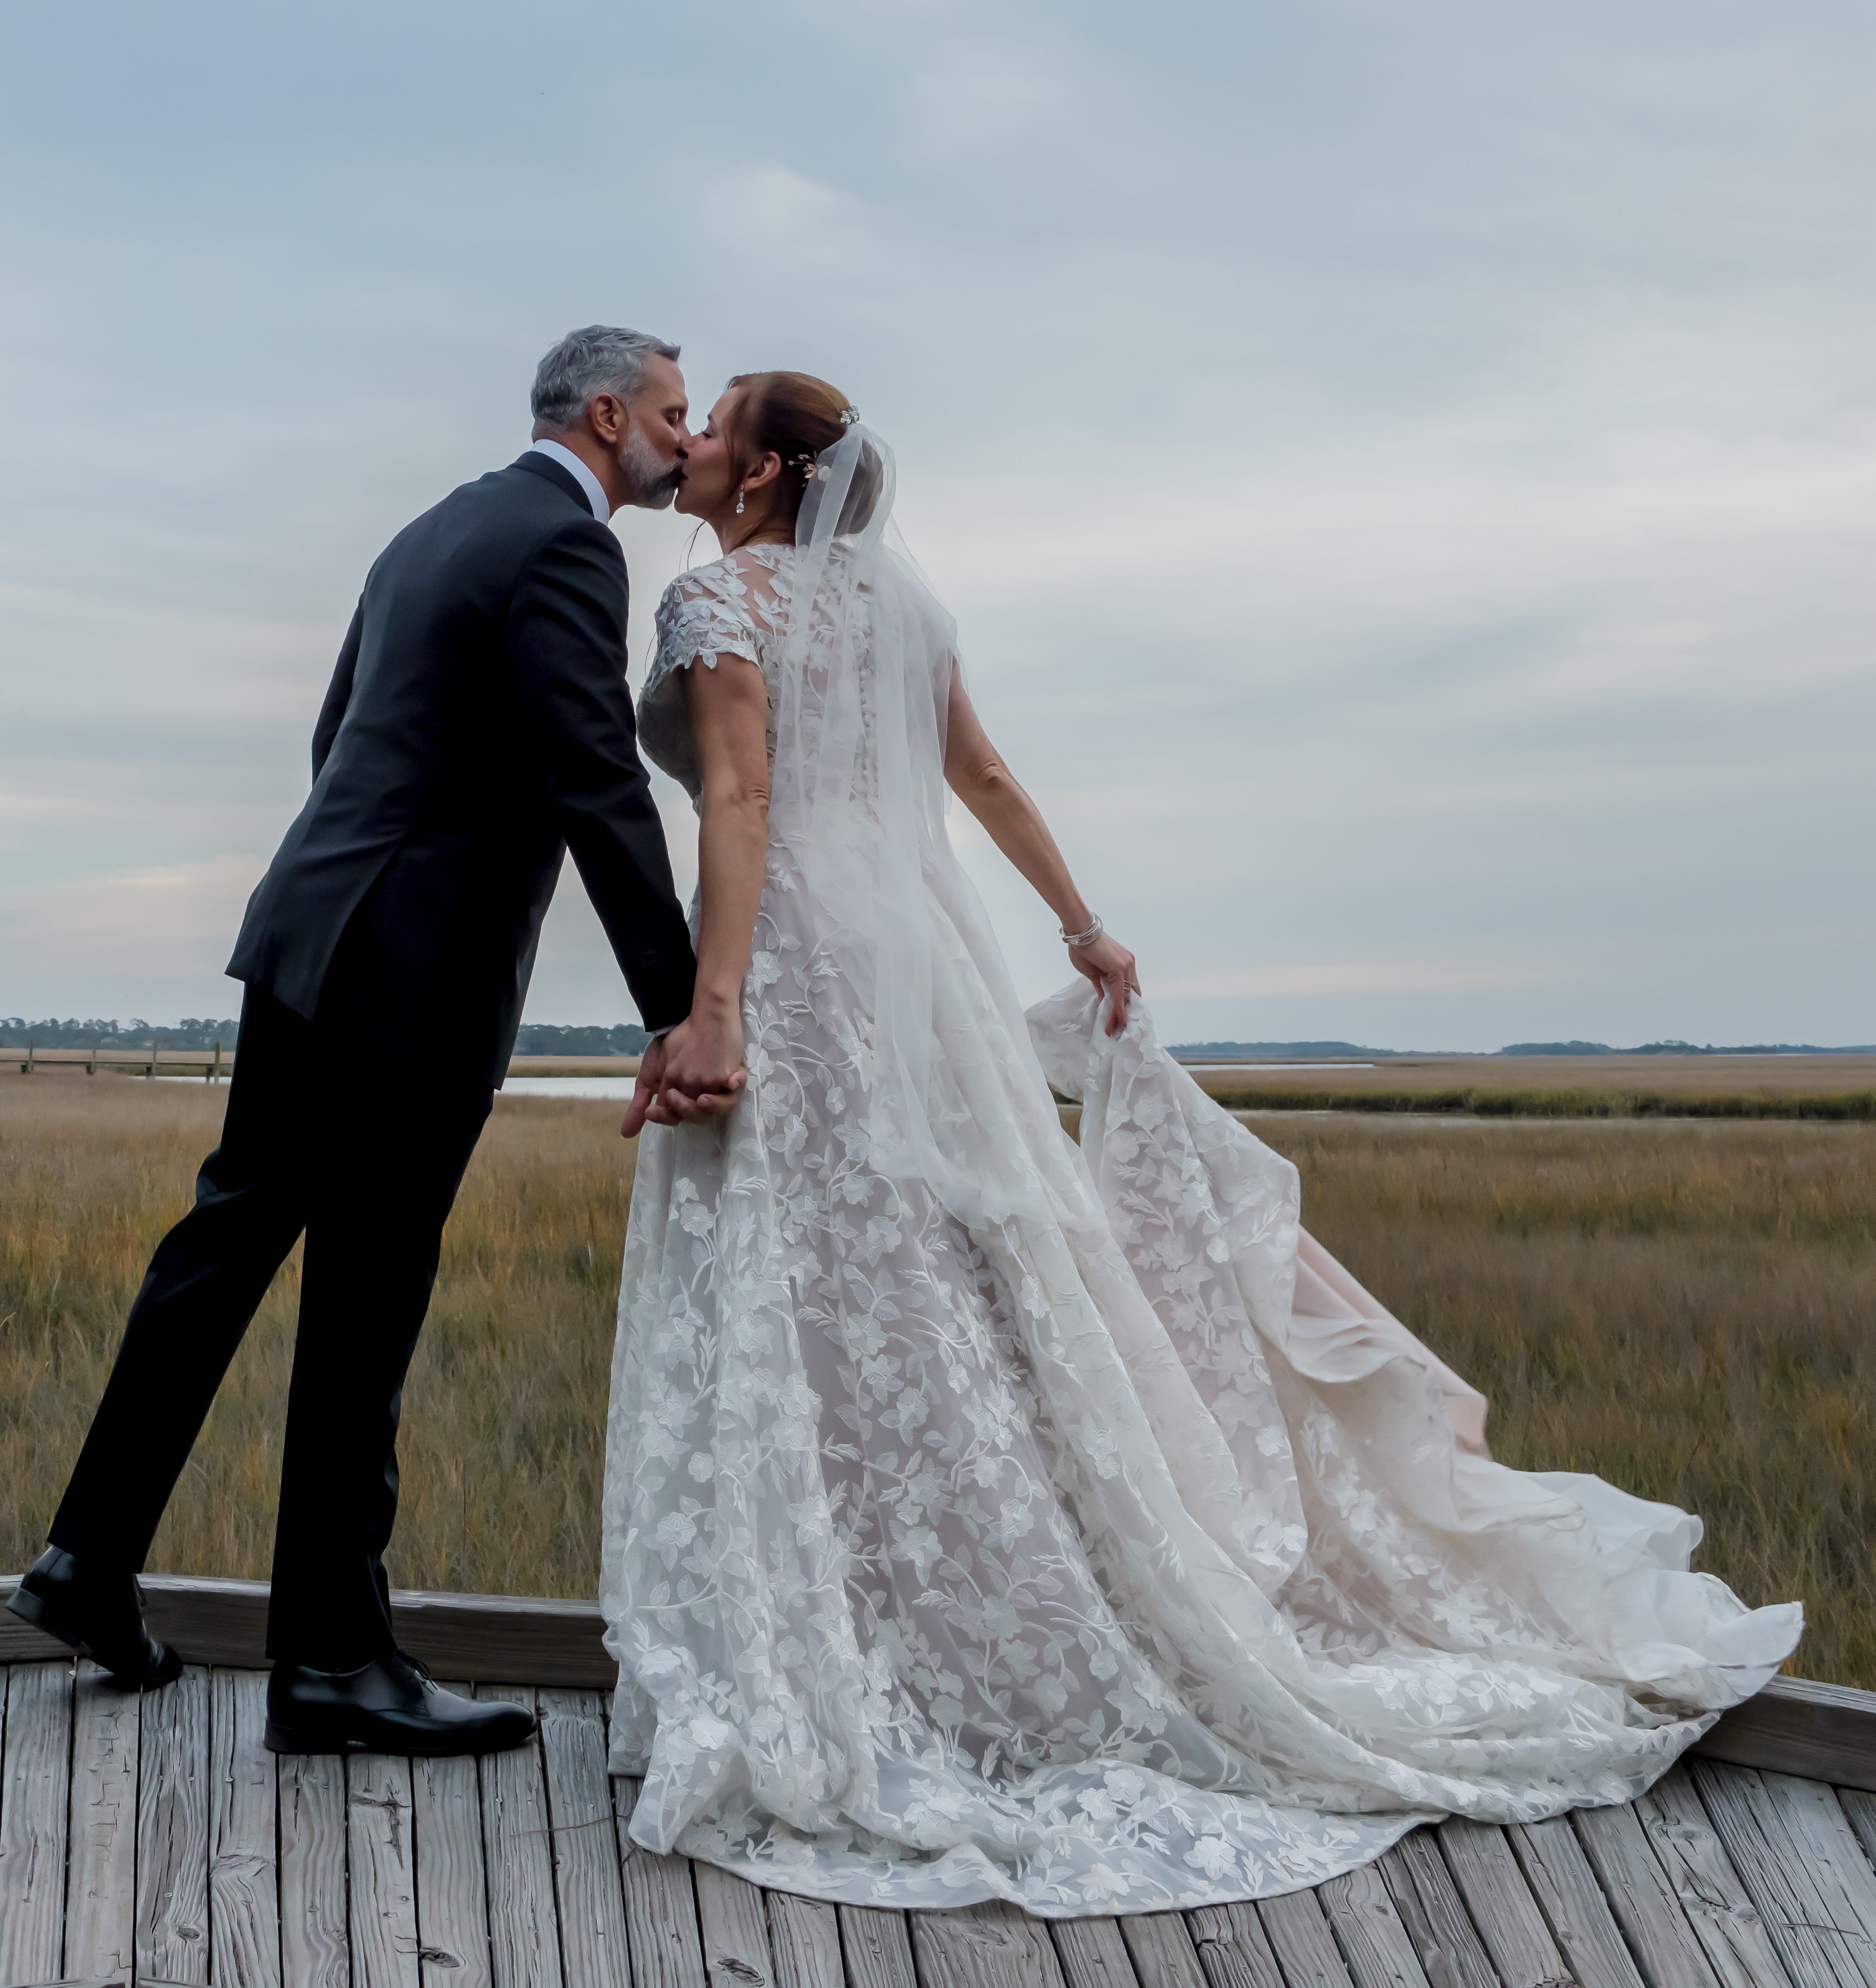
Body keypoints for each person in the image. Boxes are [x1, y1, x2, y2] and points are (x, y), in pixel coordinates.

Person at [602, 372, 1802, 1917]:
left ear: (765, 473)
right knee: (943, 1301)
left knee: (814, 1299)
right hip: (929, 968)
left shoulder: (719, 600)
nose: (686, 444)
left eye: (711, 429)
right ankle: (933, 1624)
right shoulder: (911, 609)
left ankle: (849, 1648)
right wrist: (1084, 928)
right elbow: (983, 779)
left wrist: (714, 1008)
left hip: (800, 965)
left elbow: (747, 797)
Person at [13, 324, 740, 1756]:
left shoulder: (432, 531)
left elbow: (337, 734)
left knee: (218, 1249)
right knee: (366, 1296)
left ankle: (84, 1563)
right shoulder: (571, 548)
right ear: (605, 416)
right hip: (414, 972)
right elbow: (597, 781)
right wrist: (682, 1004)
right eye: (669, 412)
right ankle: (335, 1662)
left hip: (309, 925)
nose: (684, 435)